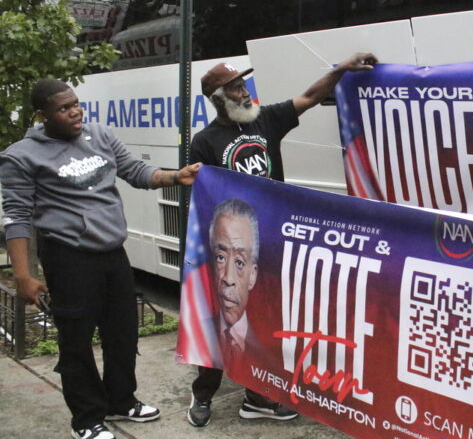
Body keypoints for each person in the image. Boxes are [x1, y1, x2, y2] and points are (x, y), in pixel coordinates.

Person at [0, 78, 201, 439]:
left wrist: (175, 176)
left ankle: (121, 401)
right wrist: (23, 275)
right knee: (76, 341)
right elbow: (16, 217)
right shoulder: (21, 156)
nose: (75, 111)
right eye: (64, 108)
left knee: (122, 333)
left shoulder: (99, 135)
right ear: (43, 115)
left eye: (76, 103)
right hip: (69, 258)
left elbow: (135, 171)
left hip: (112, 253)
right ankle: (87, 418)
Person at [186, 52, 377, 427]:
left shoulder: (267, 120)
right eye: (237, 88)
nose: (245, 92)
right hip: (228, 250)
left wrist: (340, 69)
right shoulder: (205, 142)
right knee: (220, 322)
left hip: (270, 245)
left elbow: (308, 96)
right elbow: (200, 201)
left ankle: (256, 396)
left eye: (244, 85)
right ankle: (203, 392)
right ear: (219, 99)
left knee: (262, 323)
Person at [208, 199, 261, 371]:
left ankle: (254, 398)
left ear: (252, 275)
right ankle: (202, 394)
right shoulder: (200, 333)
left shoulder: (267, 344)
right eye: (221, 257)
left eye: (239, 262)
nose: (228, 278)